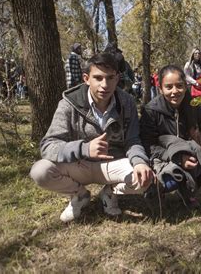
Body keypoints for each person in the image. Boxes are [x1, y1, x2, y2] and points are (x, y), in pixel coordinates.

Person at [29, 53, 154, 222]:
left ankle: (109, 193)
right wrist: (84, 148)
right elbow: (48, 145)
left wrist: (139, 162)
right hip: (79, 164)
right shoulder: (68, 103)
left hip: (113, 164)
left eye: (110, 78)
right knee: (40, 171)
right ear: (86, 79)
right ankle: (79, 195)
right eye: (98, 78)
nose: (105, 85)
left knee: (146, 176)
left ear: (117, 78)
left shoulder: (127, 102)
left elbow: (133, 140)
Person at [140, 65, 201, 208]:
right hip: (164, 159)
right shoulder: (151, 111)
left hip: (192, 155)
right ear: (160, 88)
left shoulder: (194, 106)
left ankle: (188, 190)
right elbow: (149, 146)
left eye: (179, 86)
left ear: (186, 86)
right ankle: (159, 190)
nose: (174, 91)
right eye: (169, 87)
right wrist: (177, 158)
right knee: (169, 181)